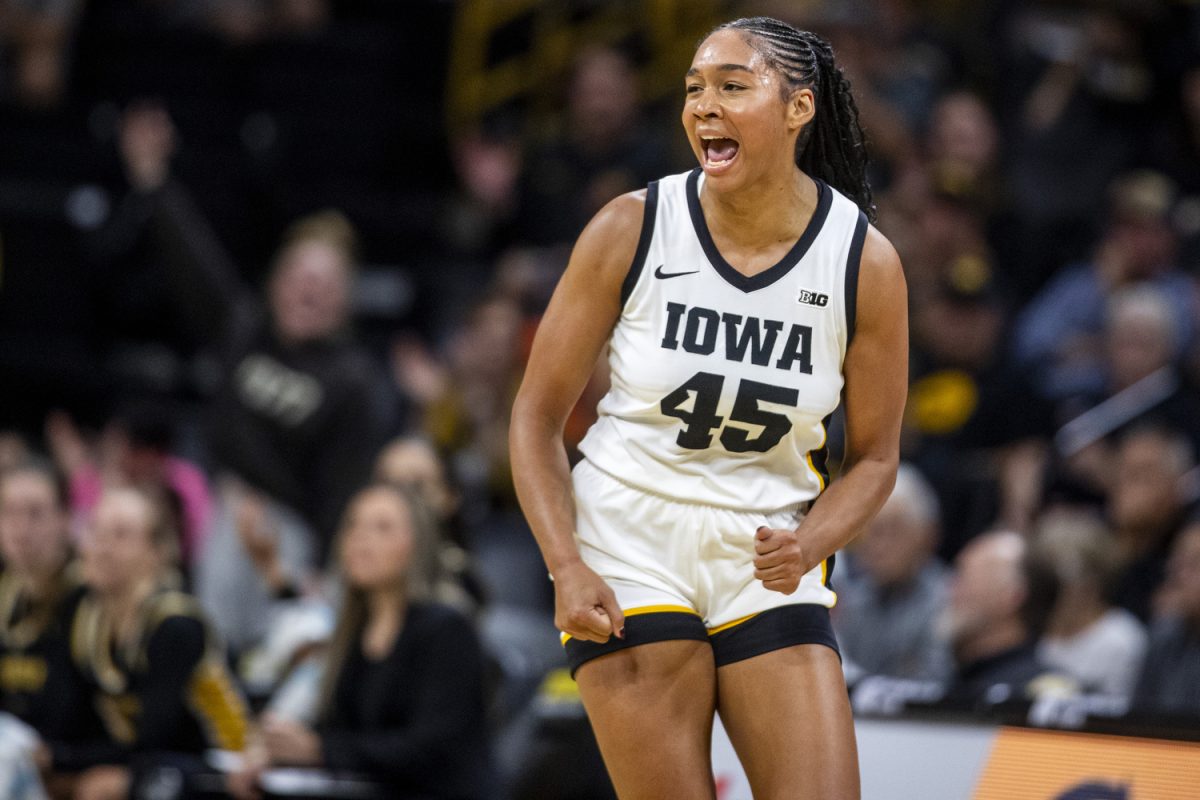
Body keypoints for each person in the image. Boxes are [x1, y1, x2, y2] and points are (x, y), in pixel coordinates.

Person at [510, 17, 907, 799]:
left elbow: (877, 458)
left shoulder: (863, 260)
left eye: (732, 86)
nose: (704, 106)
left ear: (798, 109)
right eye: (694, 89)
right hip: (628, 538)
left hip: (765, 547)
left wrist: (811, 542)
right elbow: (533, 417)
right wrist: (565, 563)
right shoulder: (632, 226)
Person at [231, 484, 493, 799]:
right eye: (353, 524)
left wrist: (318, 750)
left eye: (382, 527)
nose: (360, 537)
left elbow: (432, 751)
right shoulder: (351, 632)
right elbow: (338, 729)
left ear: (418, 543)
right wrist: (278, 752)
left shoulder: (448, 628)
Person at [55, 487, 248, 800]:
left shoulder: (175, 624)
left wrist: (62, 759)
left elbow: (158, 737)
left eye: (121, 535)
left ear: (158, 551)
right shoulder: (84, 612)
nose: (102, 547)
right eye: (95, 531)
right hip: (147, 759)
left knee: (110, 786)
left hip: (221, 765)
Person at [0, 460, 96, 763]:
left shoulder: (91, 598)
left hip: (73, 766)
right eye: (9, 511)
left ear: (66, 520)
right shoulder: (7, 591)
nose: (20, 527)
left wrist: (58, 758)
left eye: (36, 513)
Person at [834, 463, 951, 684]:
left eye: (891, 531)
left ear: (928, 534)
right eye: (867, 532)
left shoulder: (949, 599)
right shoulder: (853, 601)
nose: (875, 546)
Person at [938, 530, 1067, 708]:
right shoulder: (951, 678)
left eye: (963, 578)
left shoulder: (1043, 697)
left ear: (1011, 596)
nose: (950, 592)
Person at [1031, 510, 1147, 699]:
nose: (1050, 588)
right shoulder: (1034, 629)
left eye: (1061, 577)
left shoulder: (1120, 639)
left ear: (1093, 581)